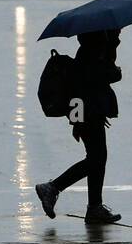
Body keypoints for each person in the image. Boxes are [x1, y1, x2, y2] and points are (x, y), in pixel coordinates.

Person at [35, 29, 123, 225]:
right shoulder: (94, 51)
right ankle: (53, 188)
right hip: (88, 111)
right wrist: (116, 72)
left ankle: (94, 208)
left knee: (97, 158)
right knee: (96, 159)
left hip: (89, 111)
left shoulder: (93, 49)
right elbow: (101, 76)